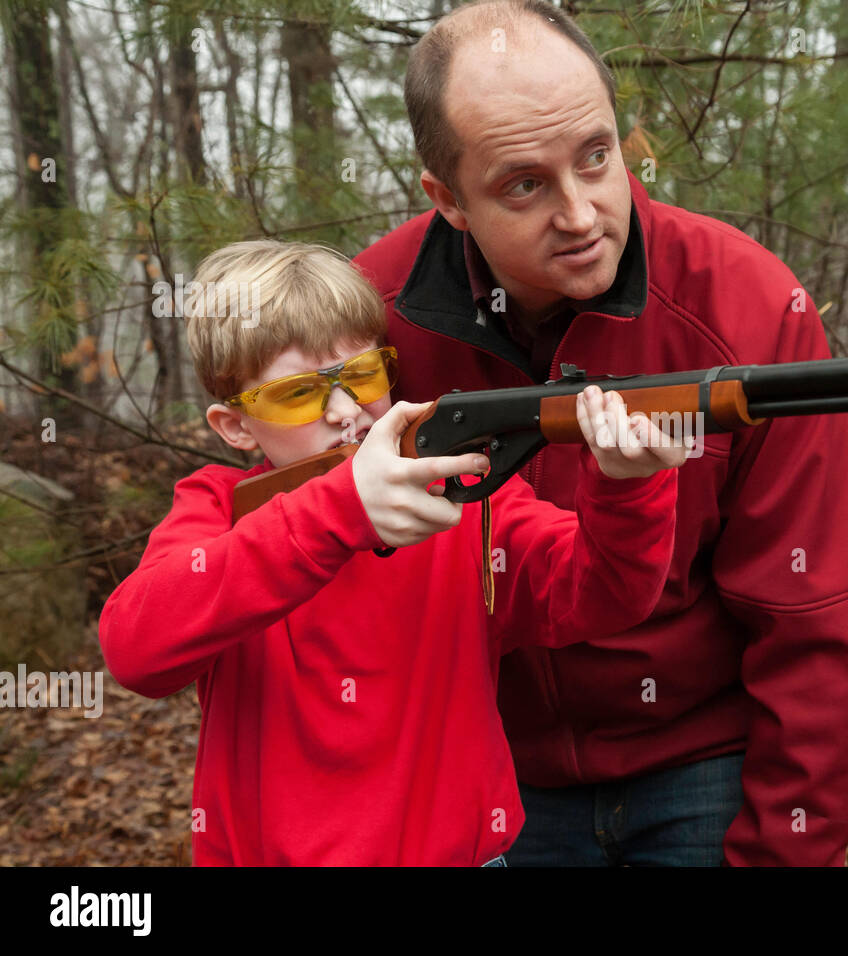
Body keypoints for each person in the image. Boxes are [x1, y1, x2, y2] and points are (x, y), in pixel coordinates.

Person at [355, 0, 848, 867]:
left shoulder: (745, 302)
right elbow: (285, 575)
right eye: (524, 184)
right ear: (446, 198)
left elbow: (812, 615)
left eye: (596, 158)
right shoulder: (367, 319)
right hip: (481, 777)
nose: (582, 213)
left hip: (701, 763)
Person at [97, 239, 687, 865]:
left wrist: (627, 489)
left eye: (361, 376)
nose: (346, 411)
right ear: (236, 426)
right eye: (298, 393)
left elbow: (600, 595)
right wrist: (339, 513)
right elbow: (136, 650)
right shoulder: (217, 509)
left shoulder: (459, 489)